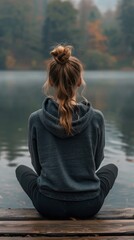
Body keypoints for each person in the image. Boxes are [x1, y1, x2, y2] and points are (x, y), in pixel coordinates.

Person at [16, 45, 118, 219]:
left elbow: (37, 165)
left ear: (51, 81)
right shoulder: (96, 118)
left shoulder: (36, 118)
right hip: (89, 205)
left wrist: (56, 181)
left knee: (20, 169)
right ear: (79, 81)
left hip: (48, 205)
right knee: (112, 168)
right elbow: (96, 161)